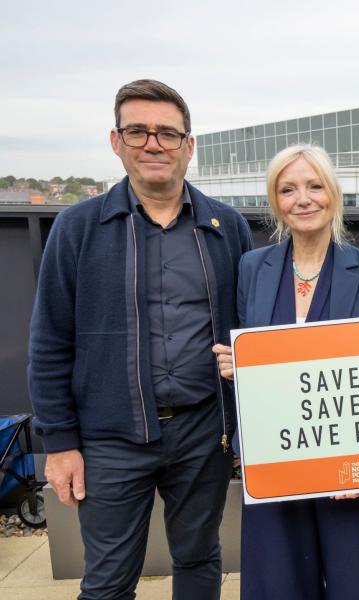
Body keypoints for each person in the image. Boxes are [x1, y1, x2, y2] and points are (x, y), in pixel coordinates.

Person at [28, 79, 252, 599]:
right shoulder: (77, 229)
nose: (154, 144)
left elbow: (251, 328)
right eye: (138, 131)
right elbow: (48, 341)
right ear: (116, 141)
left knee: (199, 559)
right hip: (109, 439)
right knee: (107, 580)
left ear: (189, 146)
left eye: (169, 134)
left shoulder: (228, 227)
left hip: (204, 431)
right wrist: (59, 444)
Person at [213, 144, 359, 599]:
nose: (304, 198)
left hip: (351, 474)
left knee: (353, 586)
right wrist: (238, 366)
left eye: (314, 185)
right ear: (276, 201)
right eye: (289, 189)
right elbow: (248, 352)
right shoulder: (251, 268)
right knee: (277, 585)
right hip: (276, 461)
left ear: (332, 194)